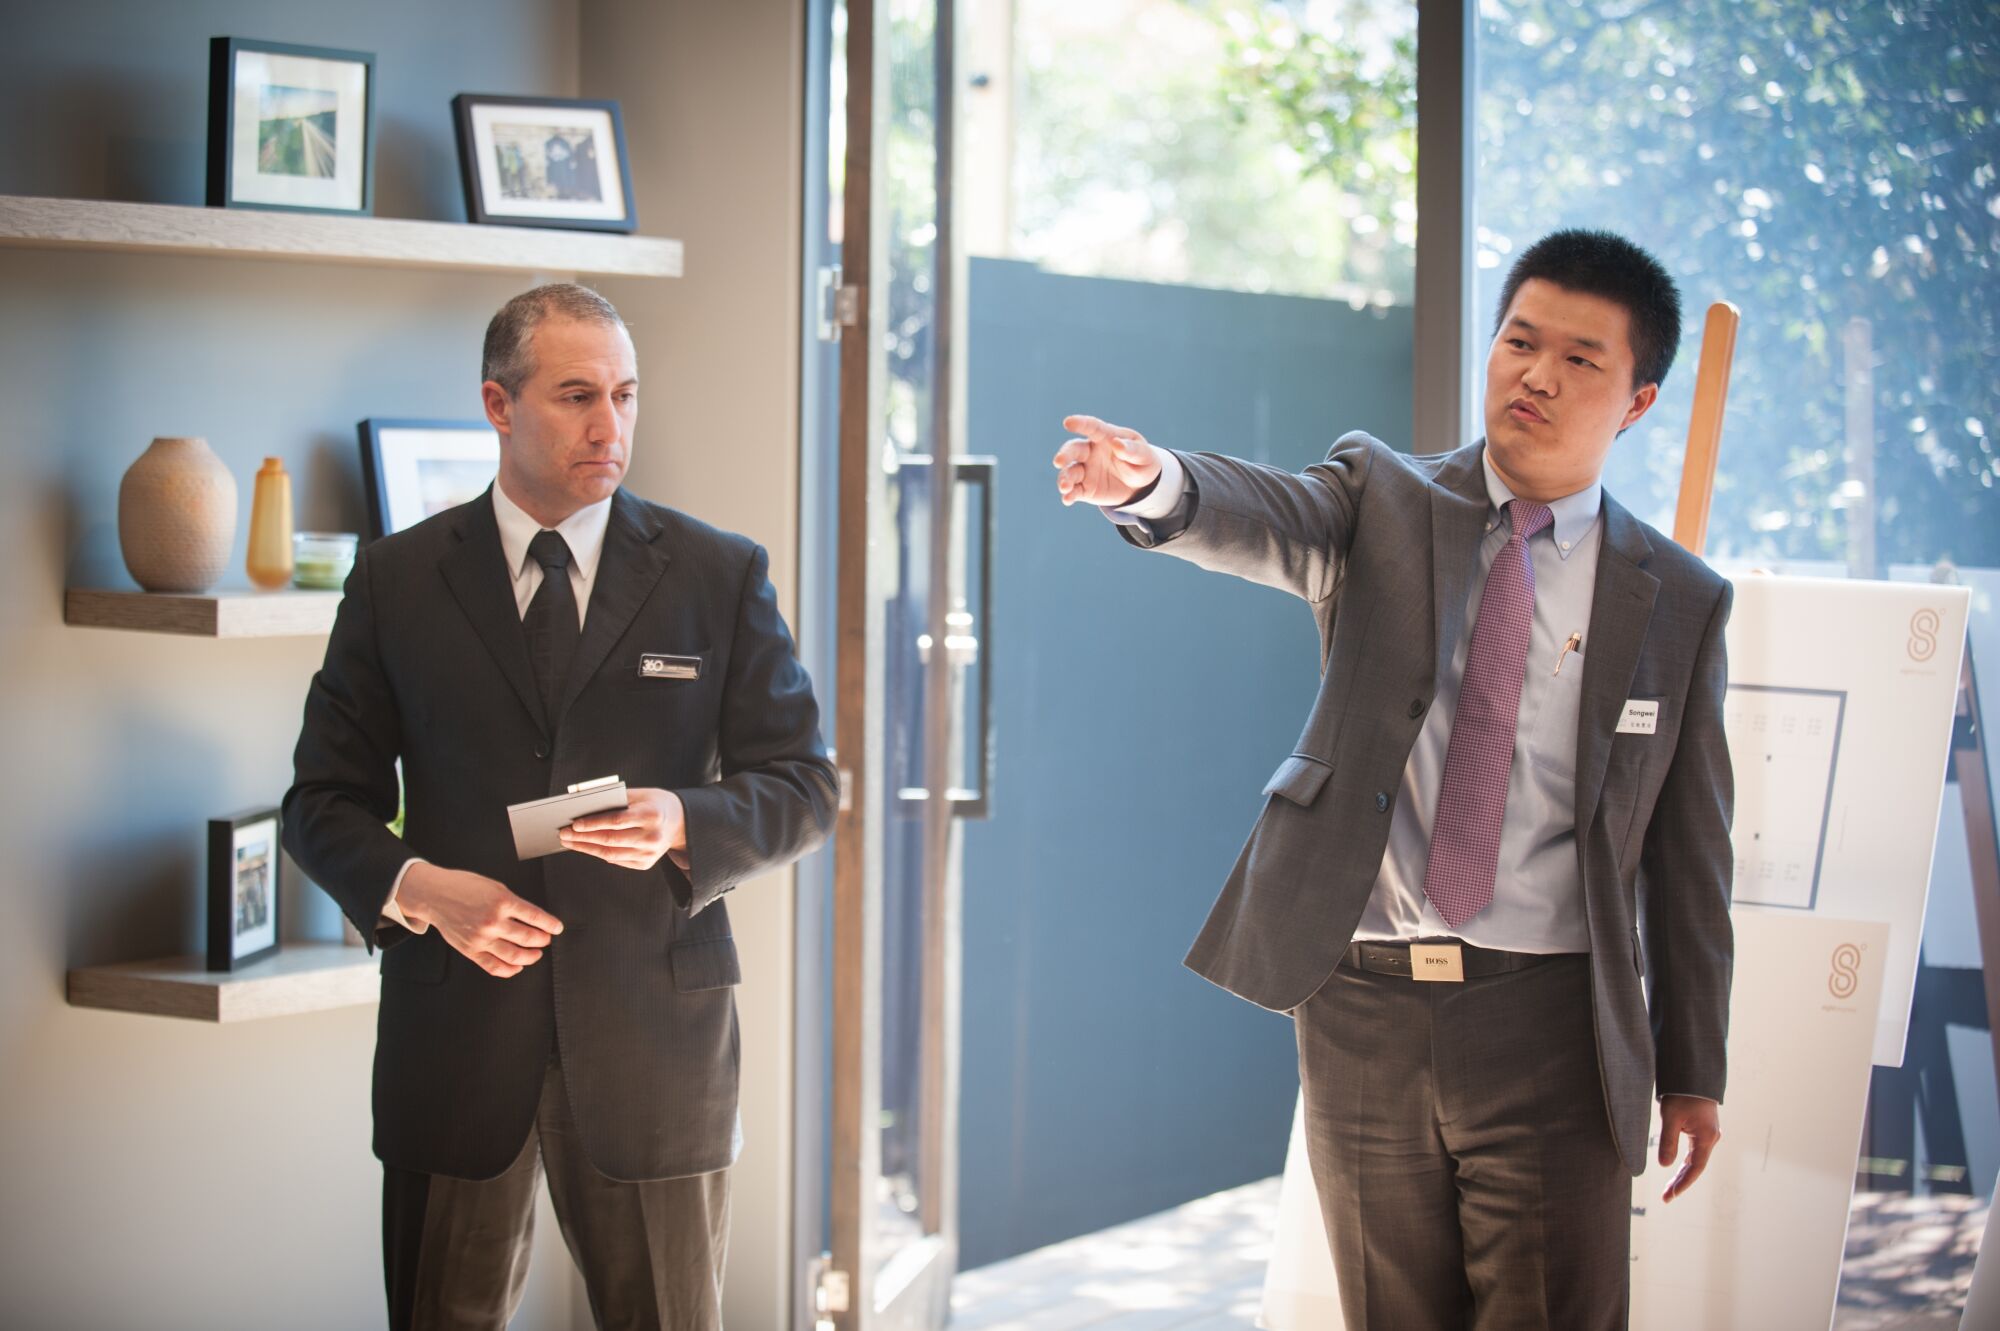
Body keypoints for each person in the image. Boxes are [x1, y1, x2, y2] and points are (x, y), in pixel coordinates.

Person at [1053, 229, 1732, 1329]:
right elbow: (1269, 515)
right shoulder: (1384, 497)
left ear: (1637, 401)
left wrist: (1694, 1067)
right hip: (1361, 1004)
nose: (1536, 375)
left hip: (1551, 1019)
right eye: (1519, 341)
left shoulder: (1678, 598)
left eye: (1578, 359)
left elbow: (1690, 856)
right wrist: (1155, 481)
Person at [285, 282, 836, 1330]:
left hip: (654, 1045)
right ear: (498, 404)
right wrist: (421, 888)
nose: (609, 425)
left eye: (625, 395)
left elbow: (805, 785)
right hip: (453, 1040)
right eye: (578, 395)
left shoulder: (717, 574)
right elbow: (320, 801)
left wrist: (683, 819)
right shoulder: (396, 581)